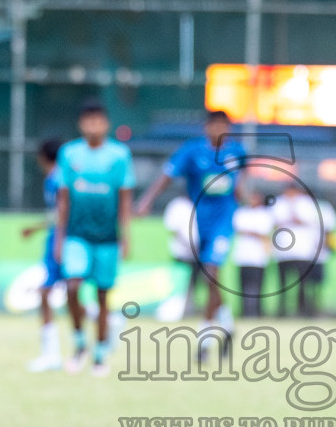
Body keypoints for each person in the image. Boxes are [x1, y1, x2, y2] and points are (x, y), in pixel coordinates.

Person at [135, 110, 247, 342]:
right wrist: (146, 200)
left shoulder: (236, 152)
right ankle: (226, 322)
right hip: (199, 222)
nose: (218, 130)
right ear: (206, 127)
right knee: (210, 276)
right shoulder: (192, 151)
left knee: (210, 272)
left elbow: (243, 176)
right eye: (214, 125)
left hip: (223, 222)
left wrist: (243, 192)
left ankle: (204, 338)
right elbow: (166, 176)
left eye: (223, 126)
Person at [54, 101, 135, 375]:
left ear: (106, 124)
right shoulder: (69, 154)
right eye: (88, 120)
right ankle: (79, 344)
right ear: (81, 125)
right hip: (77, 236)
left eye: (98, 120)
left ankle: (100, 354)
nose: (93, 126)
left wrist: (126, 236)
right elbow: (63, 199)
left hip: (108, 238)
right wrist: (59, 238)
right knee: (72, 286)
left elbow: (125, 199)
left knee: (102, 297)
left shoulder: (119, 155)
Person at [21, 139, 66, 371]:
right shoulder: (62, 177)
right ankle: (109, 319)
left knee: (46, 294)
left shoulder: (57, 179)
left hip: (60, 240)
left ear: (42, 157)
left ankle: (51, 355)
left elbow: (61, 214)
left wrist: (41, 231)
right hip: (61, 239)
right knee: (67, 293)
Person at [272, 179, 321, 318]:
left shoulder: (306, 203)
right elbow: (276, 222)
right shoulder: (279, 202)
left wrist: (294, 217)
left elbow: (310, 221)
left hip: (302, 250)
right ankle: (282, 311)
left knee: (303, 283)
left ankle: (302, 310)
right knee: (282, 283)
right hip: (283, 250)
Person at [232, 195, 276, 318]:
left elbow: (264, 232)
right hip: (243, 256)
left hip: (258, 256)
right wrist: (254, 232)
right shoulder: (241, 212)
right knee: (243, 285)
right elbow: (239, 229)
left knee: (258, 285)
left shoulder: (265, 214)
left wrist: (251, 232)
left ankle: (256, 312)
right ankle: (244, 311)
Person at [163, 195, 200, 318]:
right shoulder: (178, 204)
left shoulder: (202, 203)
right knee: (180, 285)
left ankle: (189, 309)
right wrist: (187, 242)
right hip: (181, 252)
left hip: (199, 253)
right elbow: (172, 227)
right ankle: (177, 311)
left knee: (195, 284)